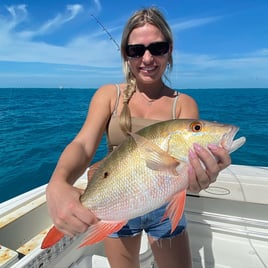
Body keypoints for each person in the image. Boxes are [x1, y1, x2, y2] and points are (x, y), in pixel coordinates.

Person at [46, 7, 231, 268]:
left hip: (165, 206)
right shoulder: (109, 95)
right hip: (115, 200)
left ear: (170, 51)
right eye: (136, 50)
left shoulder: (185, 105)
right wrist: (57, 181)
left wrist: (200, 178)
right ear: (126, 54)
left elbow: (186, 174)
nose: (147, 58)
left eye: (157, 48)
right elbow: (83, 144)